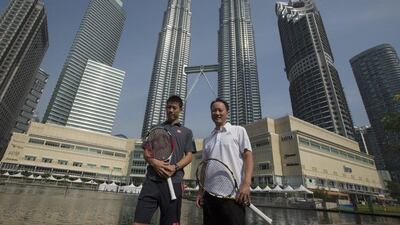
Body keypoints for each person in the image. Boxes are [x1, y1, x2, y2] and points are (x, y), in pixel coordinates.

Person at [134, 95, 196, 225]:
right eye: (168, 107)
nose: (171, 110)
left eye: (174, 107)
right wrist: (153, 162)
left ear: (180, 109)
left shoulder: (187, 132)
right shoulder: (155, 128)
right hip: (151, 181)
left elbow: (189, 156)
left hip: (174, 182)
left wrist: (175, 167)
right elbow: (146, 151)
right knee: (139, 222)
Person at [196, 98, 254, 225]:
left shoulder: (239, 131)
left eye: (220, 110)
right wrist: (200, 192)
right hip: (209, 197)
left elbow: (248, 156)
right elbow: (204, 168)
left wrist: (246, 184)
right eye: (214, 111)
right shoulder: (208, 140)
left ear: (227, 112)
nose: (217, 113)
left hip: (233, 196)